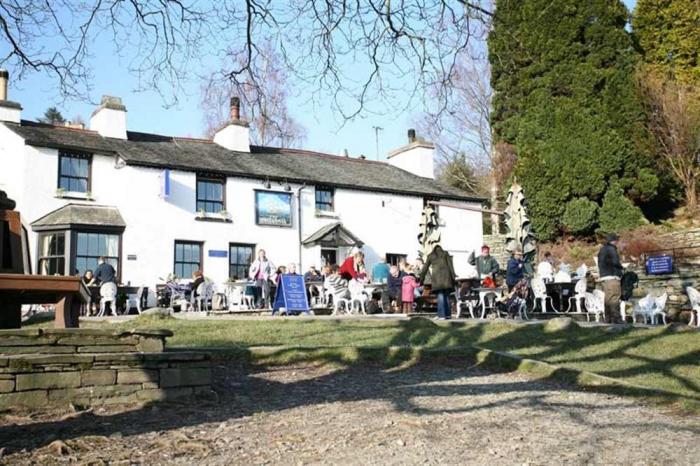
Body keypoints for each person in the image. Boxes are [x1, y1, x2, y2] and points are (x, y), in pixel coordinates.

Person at [420, 245, 456, 320]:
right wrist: (453, 277)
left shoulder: (431, 255)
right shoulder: (445, 253)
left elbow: (425, 268)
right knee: (446, 296)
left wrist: (421, 279)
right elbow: (451, 266)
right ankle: (448, 314)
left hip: (437, 279)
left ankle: (441, 315)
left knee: (440, 296)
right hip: (447, 278)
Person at [598, 233, 624, 324]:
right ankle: (617, 319)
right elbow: (615, 262)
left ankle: (608, 318)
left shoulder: (602, 249)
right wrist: (622, 267)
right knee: (615, 297)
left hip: (604, 277)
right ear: (614, 241)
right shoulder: (612, 249)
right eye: (617, 240)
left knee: (608, 298)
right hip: (612, 276)